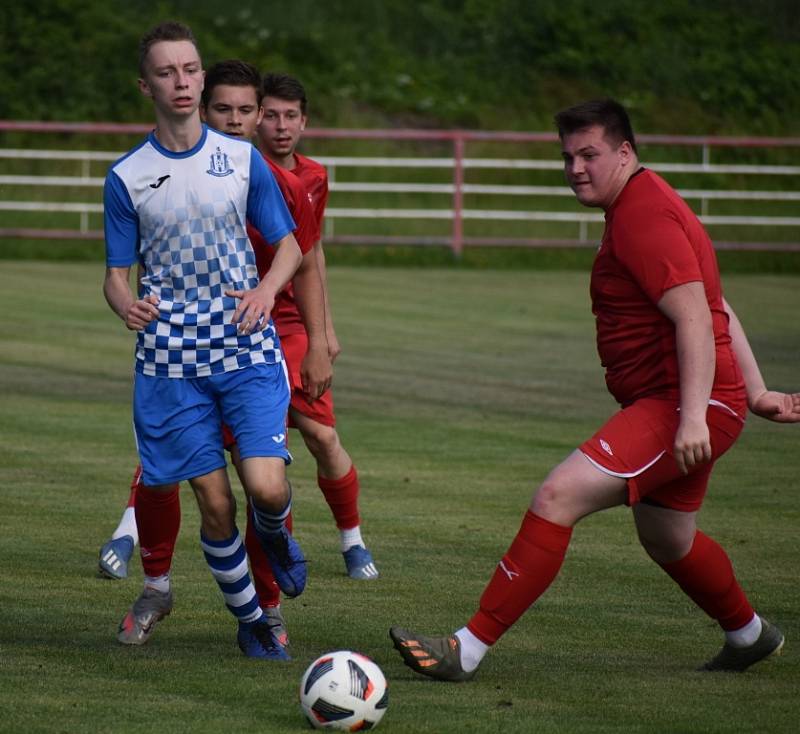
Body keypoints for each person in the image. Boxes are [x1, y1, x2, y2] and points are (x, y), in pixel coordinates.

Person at [390, 98, 800, 680]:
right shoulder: (644, 201)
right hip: (701, 401)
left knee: (558, 496)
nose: (576, 168)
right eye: (567, 157)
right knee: (668, 537)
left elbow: (692, 317)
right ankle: (749, 633)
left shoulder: (642, 215)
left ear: (625, 153)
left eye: (590, 154)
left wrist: (691, 420)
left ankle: (466, 648)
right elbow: (715, 304)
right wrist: (755, 393)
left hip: (684, 403)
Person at [103, 21, 326, 660]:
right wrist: (125, 304)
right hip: (170, 360)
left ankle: (279, 533)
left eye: (191, 69)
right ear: (145, 84)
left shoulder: (242, 159)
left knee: (267, 488)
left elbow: (289, 247)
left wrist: (264, 291)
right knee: (215, 502)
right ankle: (253, 621)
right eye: (168, 72)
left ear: (202, 76)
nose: (181, 81)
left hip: (244, 348)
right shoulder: (128, 175)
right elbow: (116, 277)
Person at [256, 72, 379, 581]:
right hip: (238, 318)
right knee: (213, 439)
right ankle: (131, 533)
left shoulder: (314, 177)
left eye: (291, 116)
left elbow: (311, 252)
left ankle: (352, 541)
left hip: (290, 319)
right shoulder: (241, 171)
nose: (281, 126)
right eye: (271, 114)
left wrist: (323, 331)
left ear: (304, 121)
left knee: (322, 437)